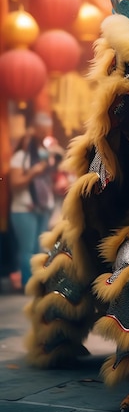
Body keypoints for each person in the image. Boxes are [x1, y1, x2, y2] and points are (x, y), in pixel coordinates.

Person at [8, 112, 59, 289]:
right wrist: (32, 173)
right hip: (24, 209)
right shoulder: (19, 158)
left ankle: (38, 283)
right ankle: (28, 284)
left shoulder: (44, 155)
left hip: (43, 207)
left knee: (39, 249)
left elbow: (47, 181)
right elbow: (15, 183)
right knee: (27, 249)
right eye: (41, 132)